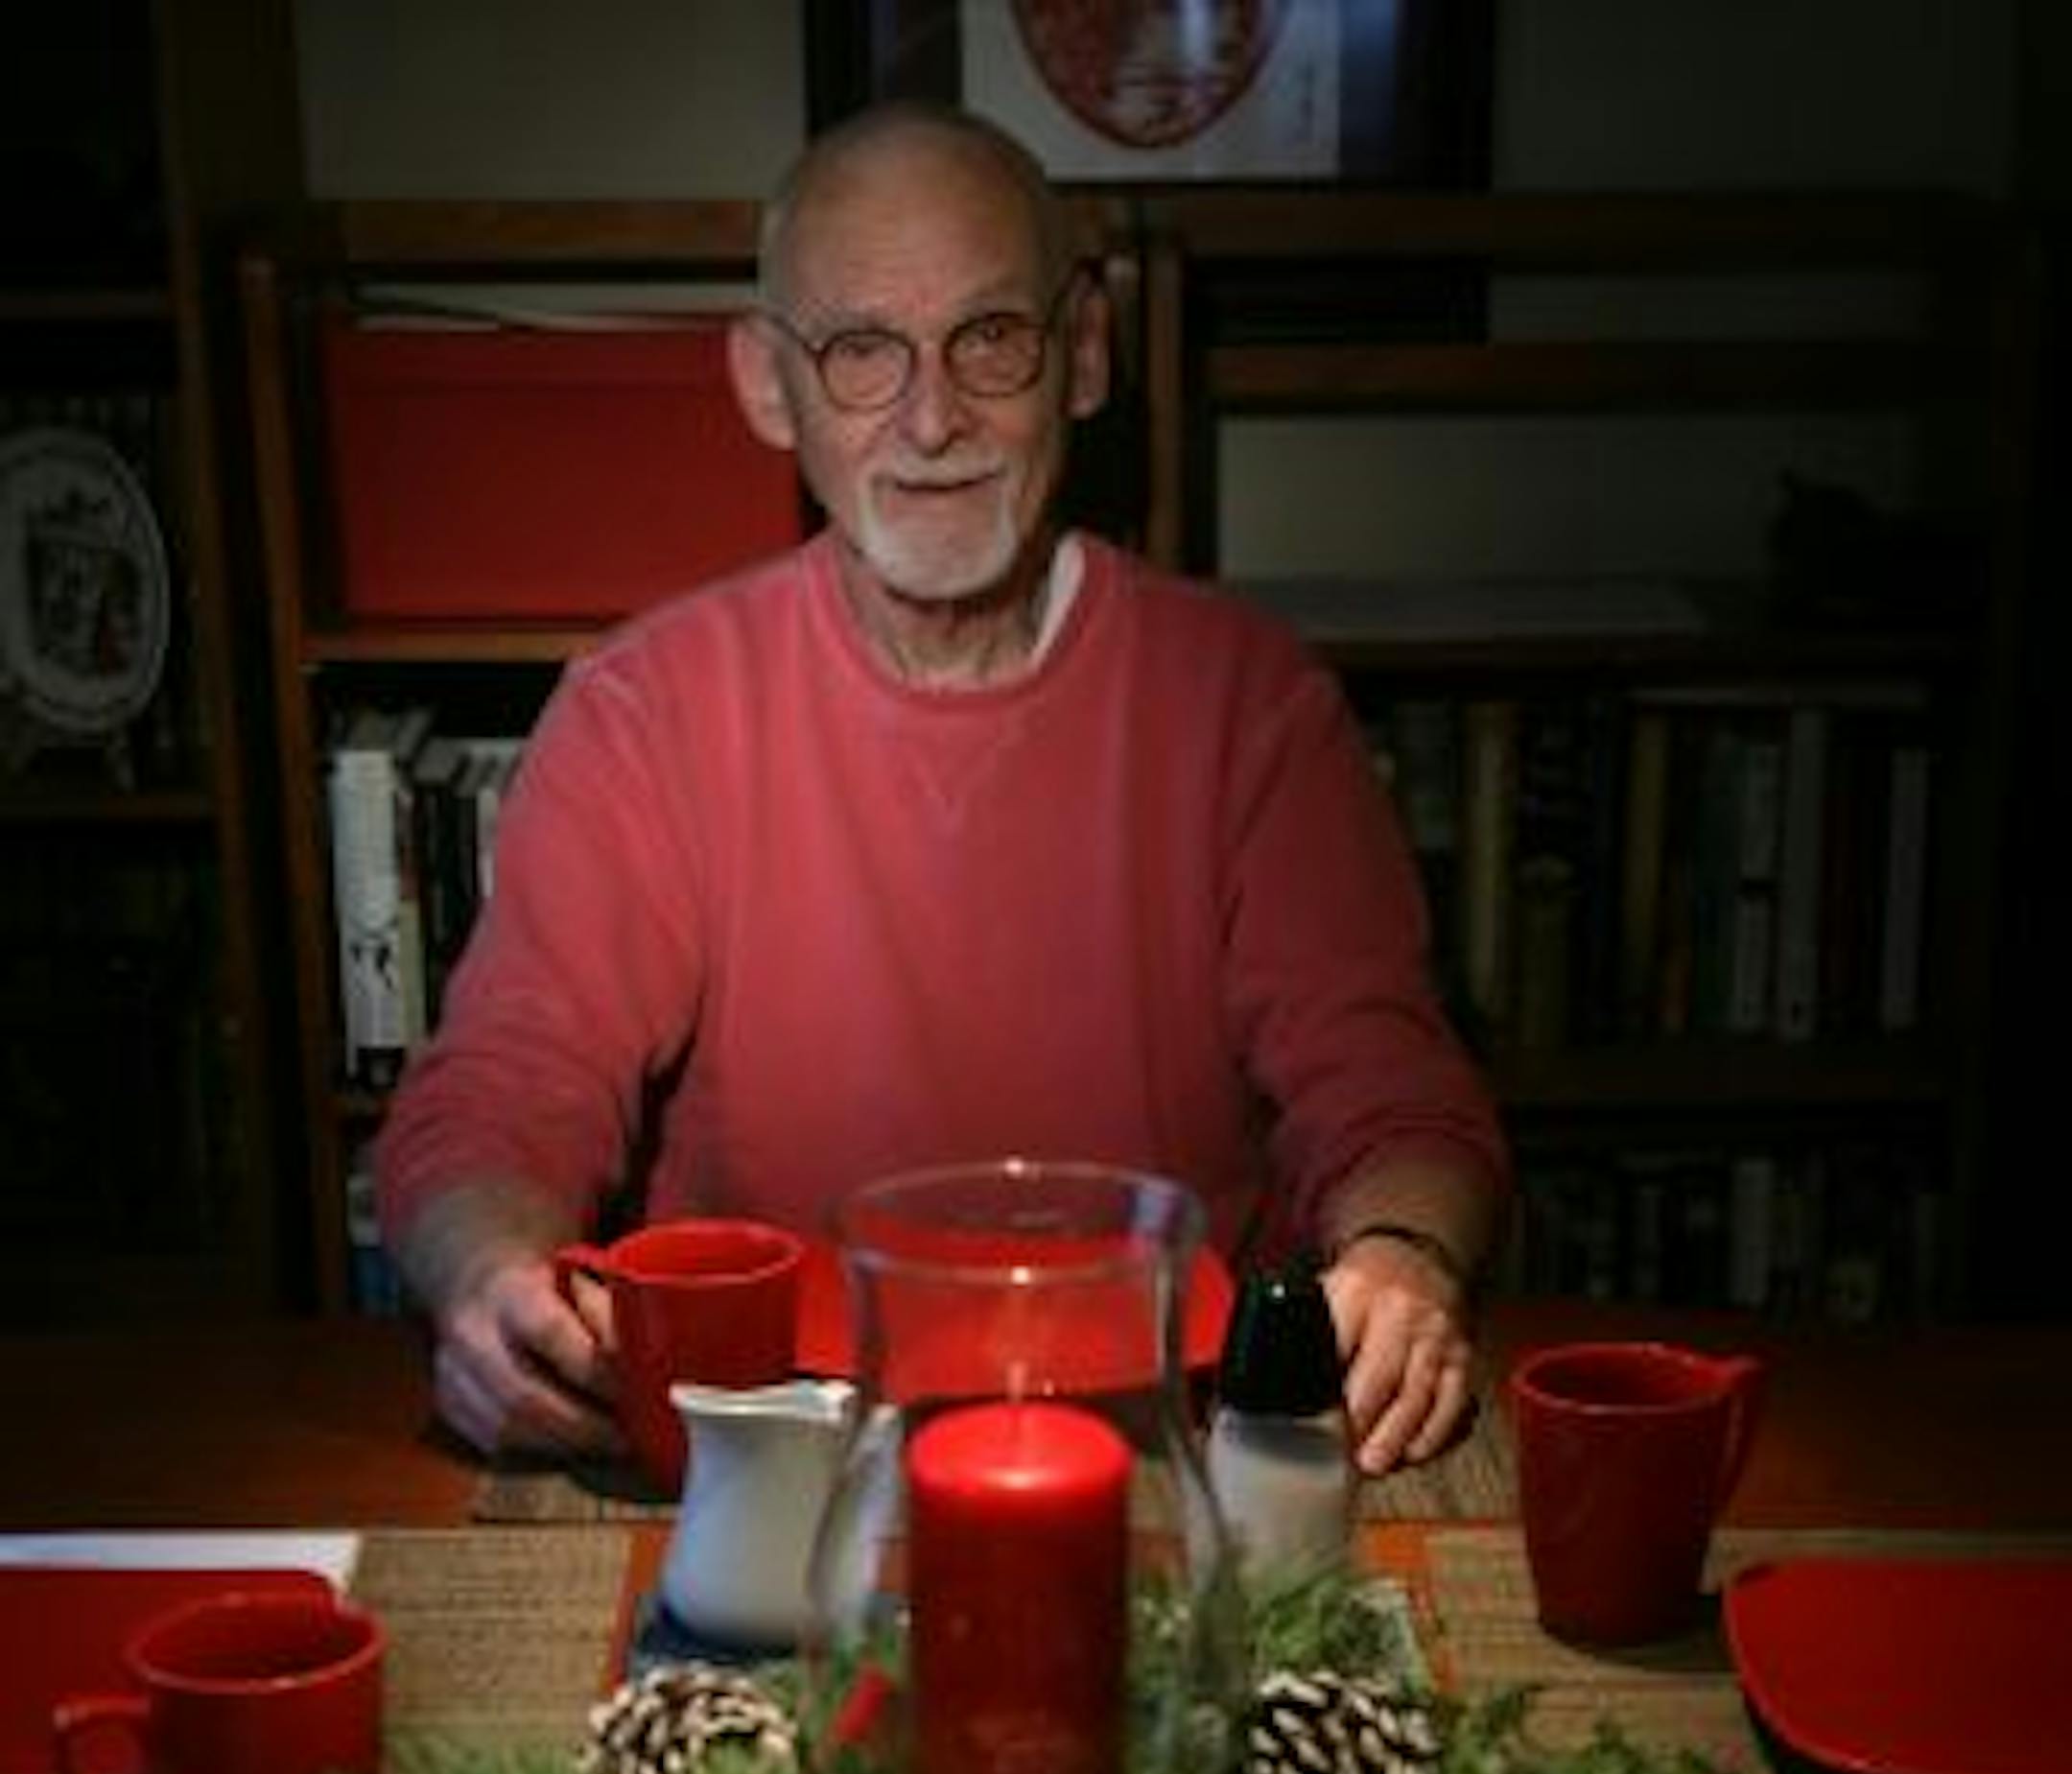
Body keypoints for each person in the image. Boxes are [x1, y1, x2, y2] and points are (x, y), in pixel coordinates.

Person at [373, 101, 1510, 1478]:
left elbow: (1392, 1094)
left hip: (1172, 1449)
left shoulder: (1252, 703)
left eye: (990, 338)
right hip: (775, 1450)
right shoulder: (642, 709)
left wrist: (1401, 1263)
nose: (933, 419)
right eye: (862, 352)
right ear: (765, 385)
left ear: (1081, 353)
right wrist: (488, 1277)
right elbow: (499, 1089)